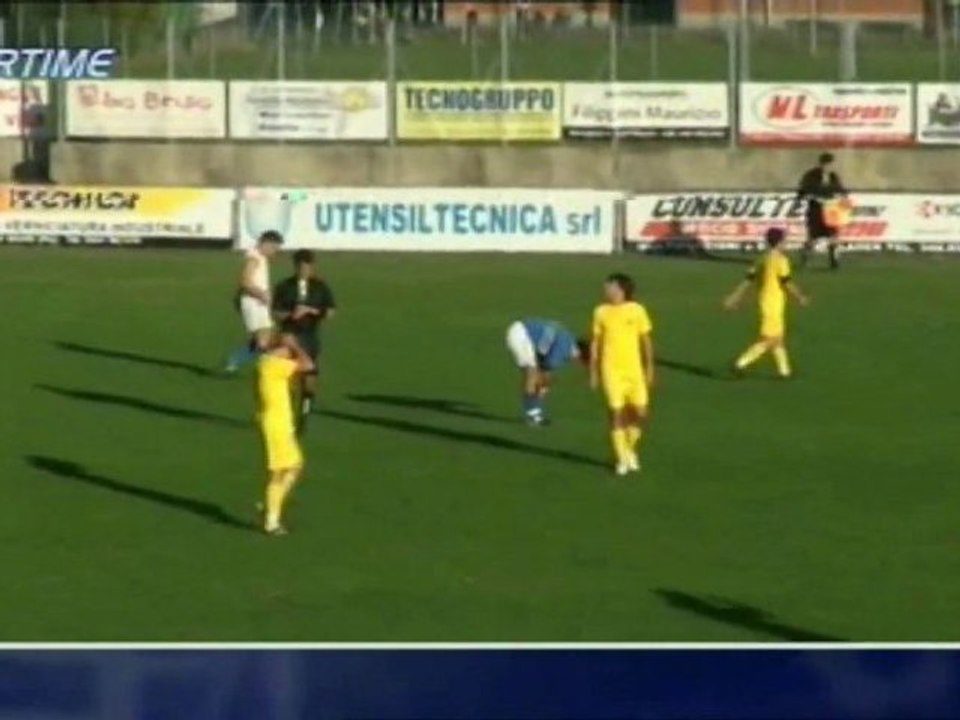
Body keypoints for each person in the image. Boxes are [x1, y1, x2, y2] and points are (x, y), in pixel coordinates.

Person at [589, 274, 655, 476]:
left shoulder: (637, 310)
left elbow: (646, 340)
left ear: (620, 289)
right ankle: (622, 459)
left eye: (608, 287)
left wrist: (650, 367)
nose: (605, 290)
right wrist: (593, 371)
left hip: (634, 370)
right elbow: (595, 343)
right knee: (616, 412)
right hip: (611, 370)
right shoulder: (600, 312)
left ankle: (627, 449)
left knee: (641, 413)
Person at [724, 227, 810, 379]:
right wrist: (800, 297)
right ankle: (740, 363)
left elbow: (748, 280)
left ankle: (784, 371)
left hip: (766, 301)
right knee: (769, 339)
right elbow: (786, 282)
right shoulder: (781, 261)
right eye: (784, 240)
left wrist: (735, 296)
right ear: (779, 242)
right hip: (773, 304)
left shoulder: (761, 259)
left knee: (778, 338)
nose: (786, 243)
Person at [272, 250, 337, 434]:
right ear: (295, 266)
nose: (305, 270)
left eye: (308, 266)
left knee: (309, 379)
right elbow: (275, 312)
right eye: (301, 267)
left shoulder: (320, 287)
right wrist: (291, 314)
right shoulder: (284, 286)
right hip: (289, 336)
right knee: (290, 378)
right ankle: (287, 418)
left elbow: (331, 311)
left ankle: (304, 416)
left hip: (310, 337)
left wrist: (312, 311)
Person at [257, 330, 314, 536]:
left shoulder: (269, 362)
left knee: (295, 466)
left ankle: (272, 504)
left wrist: (289, 344)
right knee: (282, 471)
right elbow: (308, 365)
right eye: (286, 349)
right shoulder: (273, 365)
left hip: (280, 423)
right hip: (276, 425)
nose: (289, 353)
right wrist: (295, 346)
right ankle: (271, 522)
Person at [504, 318, 588, 426]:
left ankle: (535, 413)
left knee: (536, 375)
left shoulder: (568, 342)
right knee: (531, 373)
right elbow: (546, 369)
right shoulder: (566, 348)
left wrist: (544, 384)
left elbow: (545, 365)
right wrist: (545, 384)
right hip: (522, 334)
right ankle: (533, 415)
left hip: (522, 332)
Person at [225, 230, 284, 373]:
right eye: (275, 248)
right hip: (253, 303)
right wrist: (261, 294)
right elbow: (244, 281)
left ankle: (235, 361)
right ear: (267, 243)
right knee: (264, 341)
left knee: (266, 339)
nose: (275, 252)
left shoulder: (260, 257)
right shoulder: (254, 258)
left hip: (258, 303)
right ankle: (261, 369)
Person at [796, 152, 848, 270]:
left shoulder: (834, 176)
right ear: (821, 164)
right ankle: (805, 259)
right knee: (812, 237)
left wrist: (842, 197)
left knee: (834, 236)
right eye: (826, 164)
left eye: (831, 164)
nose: (829, 167)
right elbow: (803, 191)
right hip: (816, 210)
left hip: (831, 211)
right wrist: (814, 198)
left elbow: (841, 190)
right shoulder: (811, 175)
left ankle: (834, 261)